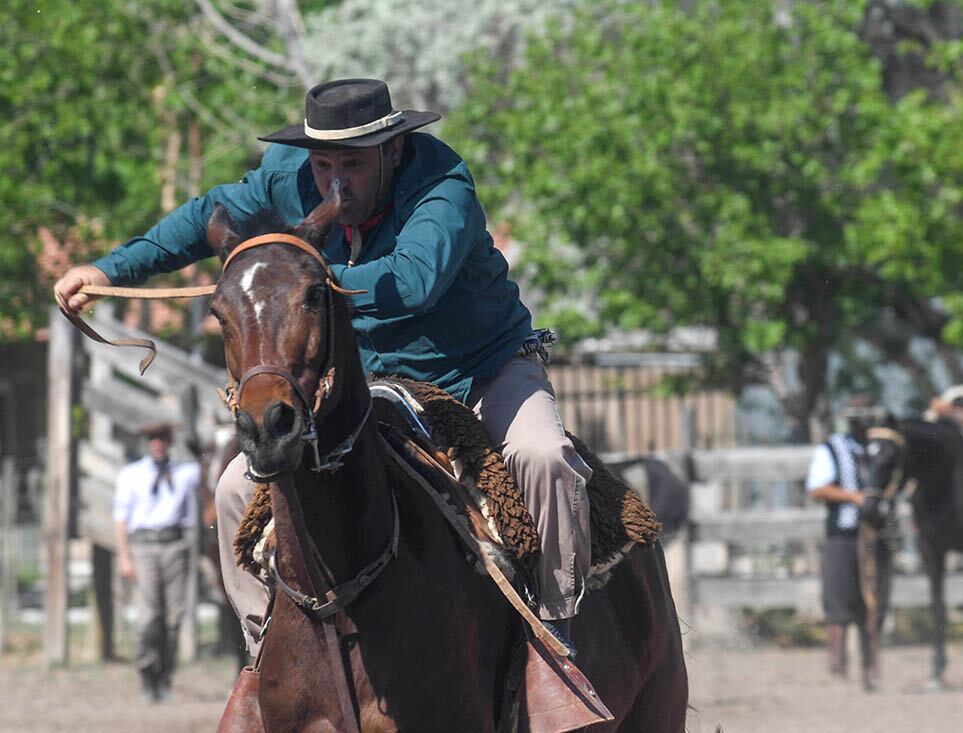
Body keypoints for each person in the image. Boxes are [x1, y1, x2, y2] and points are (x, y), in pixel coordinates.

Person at [54, 78, 591, 659]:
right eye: (324, 161)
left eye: (353, 163)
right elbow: (202, 217)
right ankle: (265, 653)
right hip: (373, 381)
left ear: (393, 149)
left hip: (481, 372)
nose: (334, 181)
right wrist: (111, 270)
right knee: (234, 488)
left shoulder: (443, 188)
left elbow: (413, 283)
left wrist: (301, 282)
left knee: (543, 457)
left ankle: (557, 633)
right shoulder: (288, 177)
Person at [805, 394, 892, 690]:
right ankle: (838, 670)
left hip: (875, 536)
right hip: (843, 536)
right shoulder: (833, 448)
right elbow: (817, 488)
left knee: (874, 602)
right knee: (839, 600)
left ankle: (872, 670)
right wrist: (855, 498)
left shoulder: (881, 448)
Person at [112, 421, 201, 702]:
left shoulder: (186, 474)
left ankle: (166, 676)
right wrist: (124, 557)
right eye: (153, 439)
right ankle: (147, 674)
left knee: (174, 617)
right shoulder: (131, 475)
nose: (157, 443)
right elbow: (121, 519)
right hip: (144, 547)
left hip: (175, 545)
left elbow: (211, 471)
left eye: (162, 438)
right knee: (149, 617)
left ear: (170, 441)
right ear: (147, 443)